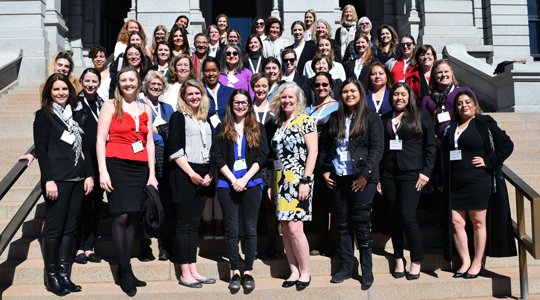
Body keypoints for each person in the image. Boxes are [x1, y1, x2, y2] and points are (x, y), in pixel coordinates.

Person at [441, 90, 516, 279]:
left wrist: (489, 161)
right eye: (459, 103)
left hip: (478, 181)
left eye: (467, 102)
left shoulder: (484, 123)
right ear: (455, 108)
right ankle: (465, 261)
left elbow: (506, 144)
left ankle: (477, 262)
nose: (464, 105)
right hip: (455, 183)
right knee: (456, 222)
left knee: (478, 223)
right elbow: (443, 156)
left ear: (475, 105)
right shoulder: (451, 128)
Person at [96, 66, 157, 294]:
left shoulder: (145, 108)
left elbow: (149, 142)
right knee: (121, 214)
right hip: (117, 165)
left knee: (132, 216)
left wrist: (152, 174)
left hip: (140, 167)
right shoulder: (110, 105)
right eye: (124, 80)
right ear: (118, 83)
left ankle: (126, 269)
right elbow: (101, 140)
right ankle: (125, 269)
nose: (128, 83)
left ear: (138, 81)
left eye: (132, 79)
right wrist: (103, 171)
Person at [319, 77, 384, 285]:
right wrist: (324, 171)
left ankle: (366, 269)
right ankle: (346, 267)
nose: (349, 95)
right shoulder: (334, 118)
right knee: (343, 225)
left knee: (362, 225)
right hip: (339, 177)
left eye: (353, 91)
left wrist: (366, 175)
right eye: (345, 91)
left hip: (362, 179)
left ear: (360, 94)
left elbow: (377, 149)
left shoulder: (371, 117)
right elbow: (325, 148)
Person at [35, 73, 94, 295]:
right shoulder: (44, 115)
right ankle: (52, 278)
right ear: (49, 92)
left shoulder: (75, 116)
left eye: (64, 89)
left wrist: (89, 175)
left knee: (70, 231)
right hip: (57, 181)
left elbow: (85, 147)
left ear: (70, 91)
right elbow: (41, 150)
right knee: (54, 230)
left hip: (78, 180)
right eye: (56, 89)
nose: (61, 93)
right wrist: (48, 179)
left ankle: (63, 274)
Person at [211, 89, 269, 290]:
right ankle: (235, 271)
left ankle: (248, 272)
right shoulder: (221, 127)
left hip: (251, 183)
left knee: (250, 229)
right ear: (231, 104)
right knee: (231, 229)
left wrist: (244, 179)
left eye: (244, 102)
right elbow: (217, 156)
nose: (240, 106)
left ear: (249, 105)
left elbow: (262, 156)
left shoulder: (258, 127)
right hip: (227, 184)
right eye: (237, 102)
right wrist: (233, 179)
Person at [380, 82, 436, 281]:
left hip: (412, 173)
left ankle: (416, 259)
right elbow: (381, 149)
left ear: (409, 96)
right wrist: (378, 176)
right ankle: (398, 258)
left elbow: (430, 146)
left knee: (407, 215)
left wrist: (426, 172)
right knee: (394, 216)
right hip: (388, 173)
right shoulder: (385, 118)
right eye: (395, 94)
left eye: (403, 94)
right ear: (391, 97)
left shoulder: (421, 115)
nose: (399, 98)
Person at [268, 82, 317, 288]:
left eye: (290, 97)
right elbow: (276, 158)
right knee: (286, 229)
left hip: (299, 181)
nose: (286, 101)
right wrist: (272, 183)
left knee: (296, 229)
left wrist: (305, 180)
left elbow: (312, 152)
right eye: (283, 97)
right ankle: (293, 271)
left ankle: (305, 272)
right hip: (281, 181)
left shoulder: (305, 120)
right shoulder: (280, 124)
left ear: (298, 100)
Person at [168, 80, 216, 288]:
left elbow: (214, 151)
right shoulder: (178, 117)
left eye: (198, 93)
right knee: (184, 224)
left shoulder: (207, 119)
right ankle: (184, 272)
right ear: (183, 96)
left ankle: (194, 269)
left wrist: (211, 174)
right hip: (186, 173)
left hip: (204, 175)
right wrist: (192, 174)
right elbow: (174, 149)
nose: (194, 97)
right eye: (190, 94)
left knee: (194, 224)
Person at [139, 71, 175, 261]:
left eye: (159, 84)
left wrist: (157, 130)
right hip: (145, 156)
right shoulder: (139, 105)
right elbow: (141, 130)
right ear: (146, 85)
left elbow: (173, 133)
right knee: (146, 201)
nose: (156, 86)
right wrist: (162, 131)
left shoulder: (167, 107)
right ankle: (144, 244)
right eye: (152, 83)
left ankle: (165, 245)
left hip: (166, 158)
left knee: (165, 203)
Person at [305, 72, 340, 256]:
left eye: (325, 84)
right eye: (317, 85)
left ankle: (334, 242)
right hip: (312, 161)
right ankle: (321, 240)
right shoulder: (307, 109)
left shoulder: (338, 107)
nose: (321, 88)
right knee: (318, 204)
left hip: (331, 160)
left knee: (334, 203)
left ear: (331, 85)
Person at [74, 69, 104, 266]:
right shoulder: (74, 104)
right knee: (82, 206)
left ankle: (89, 246)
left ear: (99, 82)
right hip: (83, 163)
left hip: (100, 162)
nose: (91, 84)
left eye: (94, 80)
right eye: (87, 80)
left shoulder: (104, 103)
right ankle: (78, 247)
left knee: (96, 206)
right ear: (81, 81)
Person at [202, 57, 234, 238]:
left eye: (214, 70)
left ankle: (221, 225)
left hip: (226, 145)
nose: (211, 74)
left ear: (219, 72)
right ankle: (207, 225)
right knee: (208, 186)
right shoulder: (198, 92)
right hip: (204, 145)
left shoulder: (229, 92)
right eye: (207, 70)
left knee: (222, 186)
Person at [250, 73, 279, 258]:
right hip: (250, 165)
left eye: (264, 86)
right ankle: (251, 247)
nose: (260, 89)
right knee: (252, 206)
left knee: (270, 206)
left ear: (269, 88)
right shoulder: (247, 110)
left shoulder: (276, 111)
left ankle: (271, 244)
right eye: (257, 86)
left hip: (270, 164)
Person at [421, 59, 474, 145]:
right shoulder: (427, 99)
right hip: (436, 146)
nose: (443, 75)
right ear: (434, 75)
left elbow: (475, 115)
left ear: (452, 73)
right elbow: (422, 125)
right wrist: (435, 140)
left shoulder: (464, 92)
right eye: (439, 72)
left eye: (446, 71)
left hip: (462, 141)